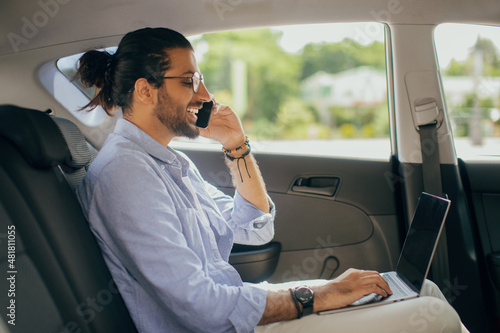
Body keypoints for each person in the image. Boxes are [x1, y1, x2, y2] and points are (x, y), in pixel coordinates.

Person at [75, 27, 466, 333]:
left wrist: (236, 144)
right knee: (433, 315)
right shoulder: (126, 174)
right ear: (146, 90)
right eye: (190, 81)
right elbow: (199, 307)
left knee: (422, 291)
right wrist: (321, 294)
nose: (206, 96)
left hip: (242, 310)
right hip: (226, 328)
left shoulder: (171, 164)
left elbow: (253, 228)